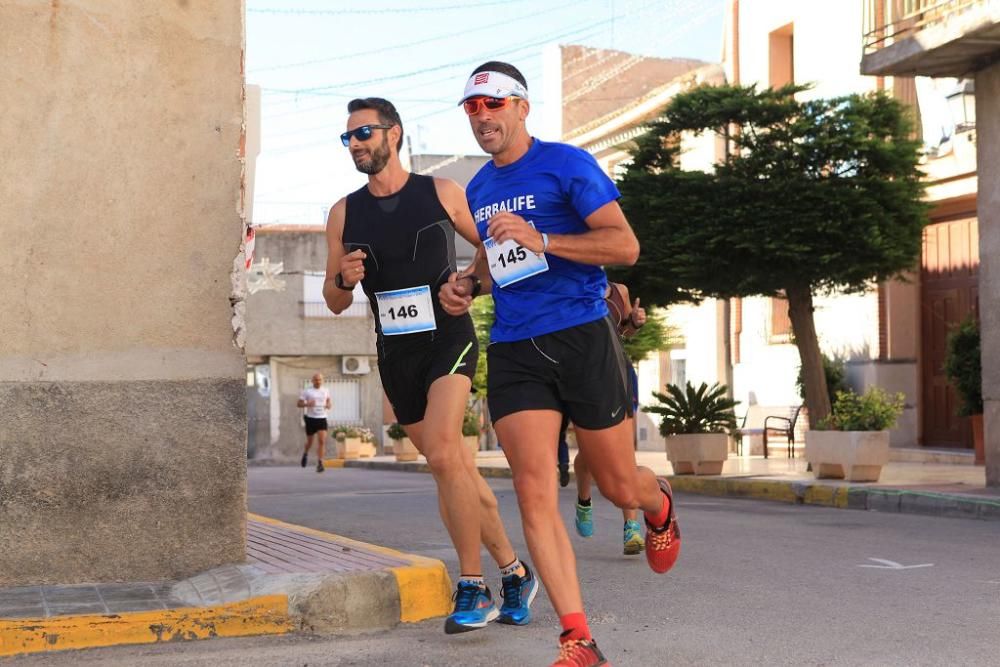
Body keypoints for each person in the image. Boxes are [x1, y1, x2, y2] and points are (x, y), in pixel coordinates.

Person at [439, 62, 681, 667]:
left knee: (619, 482)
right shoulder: (477, 189)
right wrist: (467, 285)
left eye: (493, 104)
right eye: (471, 108)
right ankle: (578, 638)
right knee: (532, 490)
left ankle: (658, 505)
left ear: (521, 107)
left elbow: (624, 246)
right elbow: (496, 264)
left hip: (581, 334)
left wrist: (543, 237)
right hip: (517, 347)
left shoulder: (567, 164)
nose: (482, 117)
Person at [323, 97, 537, 635]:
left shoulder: (441, 193)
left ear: (394, 134)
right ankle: (514, 571)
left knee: (445, 453)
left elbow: (494, 249)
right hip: (396, 353)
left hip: (448, 340)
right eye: (348, 137)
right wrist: (345, 278)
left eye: (364, 133)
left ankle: (472, 585)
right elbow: (332, 299)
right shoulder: (343, 213)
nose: (356, 144)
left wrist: (469, 284)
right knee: (454, 467)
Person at [574, 284, 647, 556]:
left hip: (617, 370)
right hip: (582, 375)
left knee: (623, 451)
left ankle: (631, 527)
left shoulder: (620, 291)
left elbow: (624, 331)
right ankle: (584, 499)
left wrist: (636, 322)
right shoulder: (570, 285)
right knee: (591, 452)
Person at [298, 373, 331, 473]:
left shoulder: (326, 390)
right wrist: (308, 404)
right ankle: (305, 453)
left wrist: (329, 405)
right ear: (312, 381)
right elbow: (298, 403)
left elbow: (329, 401)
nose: (318, 381)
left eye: (320, 380)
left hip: (322, 418)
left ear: (322, 380)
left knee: (322, 441)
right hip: (311, 419)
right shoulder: (307, 391)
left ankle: (320, 463)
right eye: (316, 380)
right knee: (310, 442)